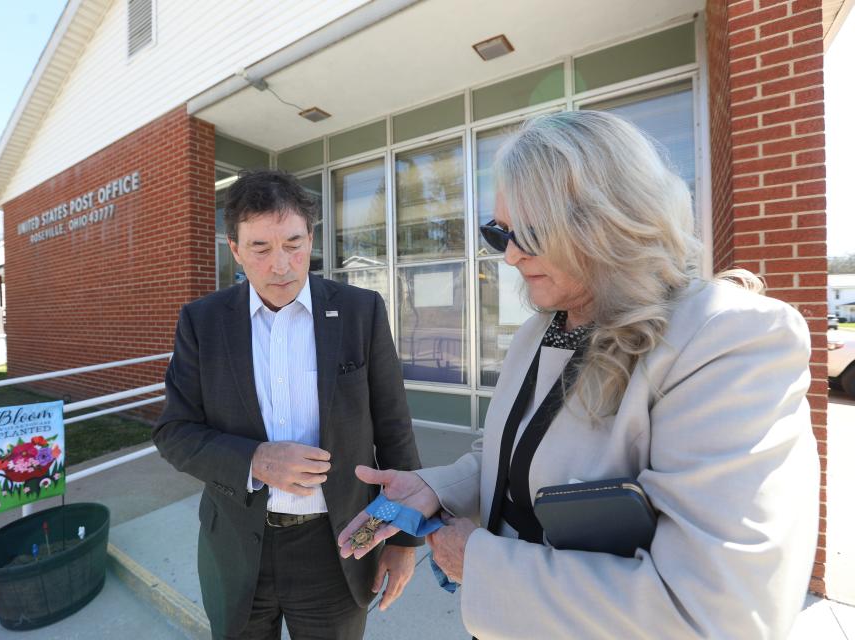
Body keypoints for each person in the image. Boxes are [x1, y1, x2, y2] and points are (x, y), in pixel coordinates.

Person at [337, 111, 819, 639]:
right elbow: (507, 454)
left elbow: (714, 614)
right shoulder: (540, 330)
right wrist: (432, 488)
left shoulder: (728, 338)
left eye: (534, 234)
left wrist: (481, 566)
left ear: (611, 220)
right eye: (500, 232)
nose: (512, 257)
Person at [153, 169, 422, 640]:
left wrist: (402, 538)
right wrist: (255, 459)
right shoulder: (203, 322)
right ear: (234, 250)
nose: (282, 265)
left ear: (311, 238)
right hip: (236, 548)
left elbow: (394, 430)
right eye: (260, 248)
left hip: (338, 547)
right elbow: (174, 433)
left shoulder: (361, 311)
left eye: (294, 244)